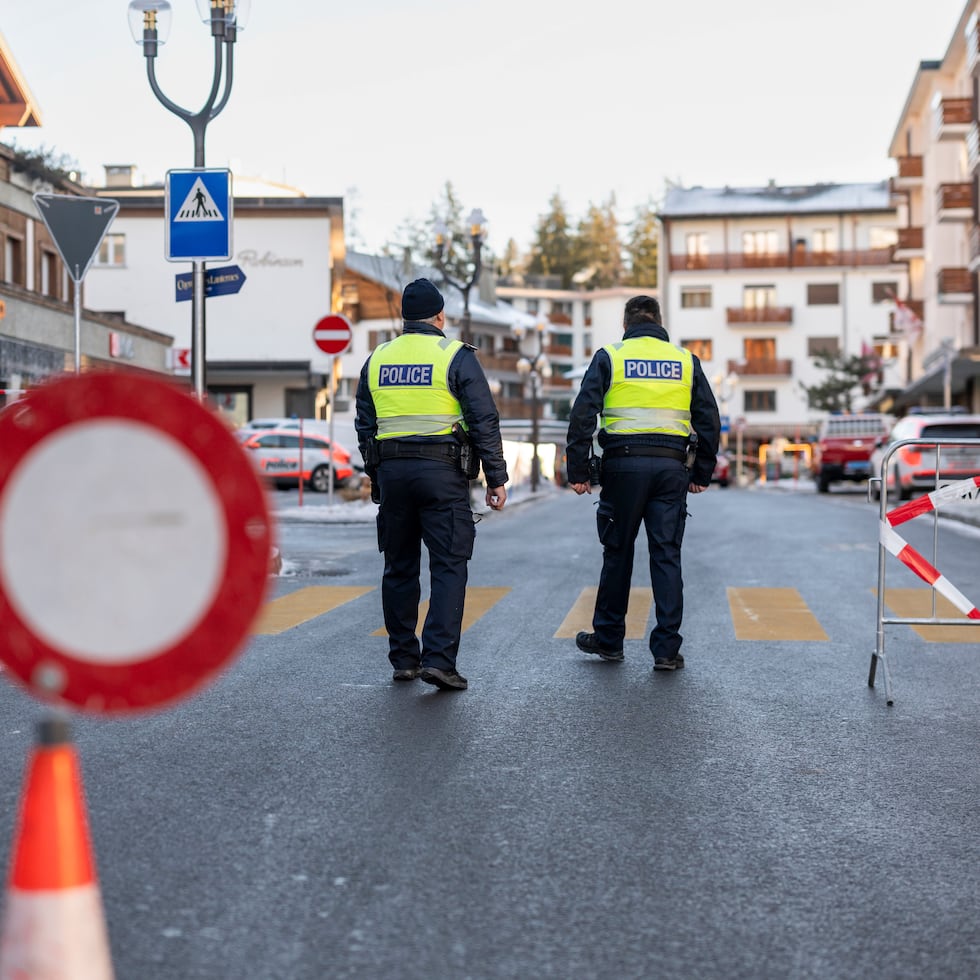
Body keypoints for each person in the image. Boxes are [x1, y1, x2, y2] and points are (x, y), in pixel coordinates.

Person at [355, 278, 508, 691]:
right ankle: (439, 660)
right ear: (440, 316)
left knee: (399, 566)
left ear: (404, 317)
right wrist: (496, 477)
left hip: (394, 474)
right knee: (449, 565)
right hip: (442, 475)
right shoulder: (455, 356)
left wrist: (376, 473)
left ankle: (404, 658)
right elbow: (483, 420)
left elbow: (365, 424)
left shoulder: (378, 358)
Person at [565, 295, 720, 670]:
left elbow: (583, 414)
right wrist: (702, 472)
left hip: (623, 467)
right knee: (666, 554)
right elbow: (709, 419)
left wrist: (578, 470)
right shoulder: (685, 360)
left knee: (617, 551)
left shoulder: (610, 356)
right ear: (660, 322)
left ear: (625, 324)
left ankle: (609, 640)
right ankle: (666, 649)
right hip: (671, 468)